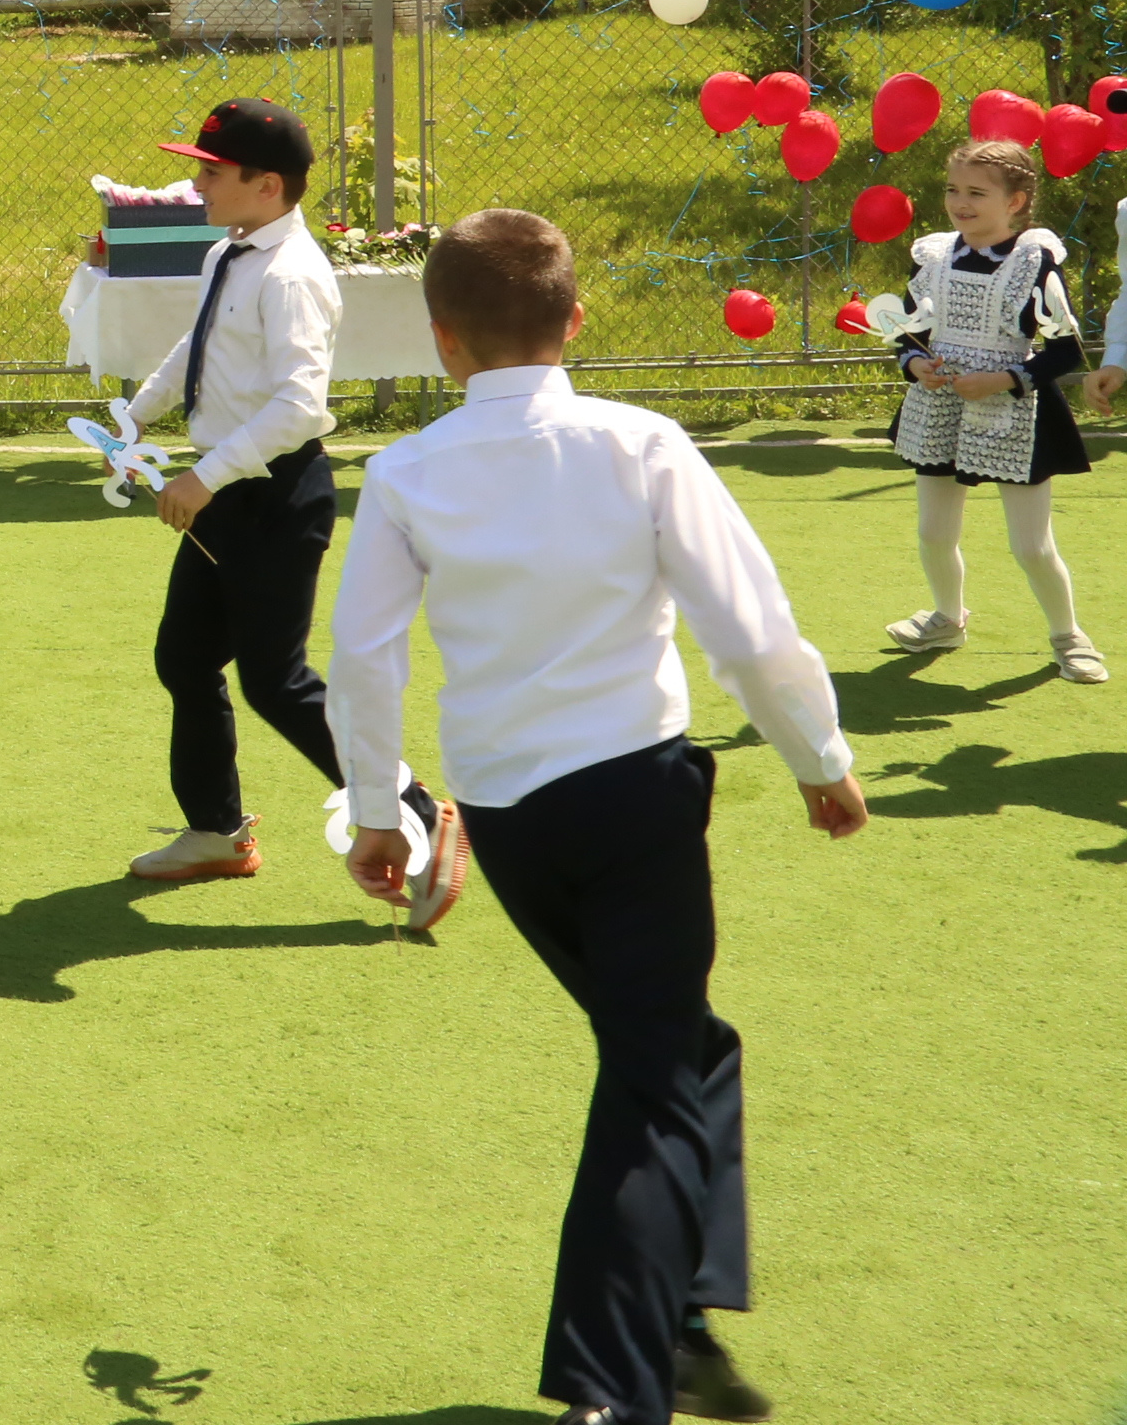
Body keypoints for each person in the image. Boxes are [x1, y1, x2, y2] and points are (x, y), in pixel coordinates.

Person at [329, 209, 863, 1425]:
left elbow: (362, 654)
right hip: (634, 794)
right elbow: (749, 628)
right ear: (576, 319)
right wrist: (818, 756)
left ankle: (676, 1321)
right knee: (656, 1069)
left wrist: (376, 810)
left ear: (440, 338)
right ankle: (618, 1385)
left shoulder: (405, 470)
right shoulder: (642, 442)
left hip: (509, 816)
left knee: (678, 1050)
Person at [104, 97, 455, 897]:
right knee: (185, 659)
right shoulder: (228, 252)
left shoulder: (293, 274)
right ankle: (216, 832)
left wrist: (202, 477)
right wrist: (138, 413)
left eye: (212, 172)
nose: (196, 186)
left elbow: (299, 406)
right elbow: (198, 345)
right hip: (230, 494)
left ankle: (420, 813)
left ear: (267, 186)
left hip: (277, 497)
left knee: (276, 681)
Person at [882, 135, 1101, 681]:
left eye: (977, 193)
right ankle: (947, 618)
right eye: (952, 189)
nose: (960, 202)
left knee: (1031, 546)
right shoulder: (933, 257)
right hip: (939, 409)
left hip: (1015, 414)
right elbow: (907, 332)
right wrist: (916, 364)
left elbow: (1065, 352)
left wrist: (1002, 379)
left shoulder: (1035, 262)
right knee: (934, 533)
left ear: (1016, 201)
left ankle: (1068, 636)